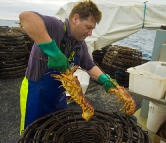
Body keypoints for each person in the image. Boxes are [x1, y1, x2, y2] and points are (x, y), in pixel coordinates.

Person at [19, 0, 117, 135]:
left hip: (59, 98)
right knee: (32, 134)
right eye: (88, 27)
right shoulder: (57, 27)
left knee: (58, 133)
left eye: (92, 29)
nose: (90, 33)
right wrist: (52, 51)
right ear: (76, 19)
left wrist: (104, 79)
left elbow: (89, 65)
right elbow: (26, 17)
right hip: (36, 95)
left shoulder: (80, 44)